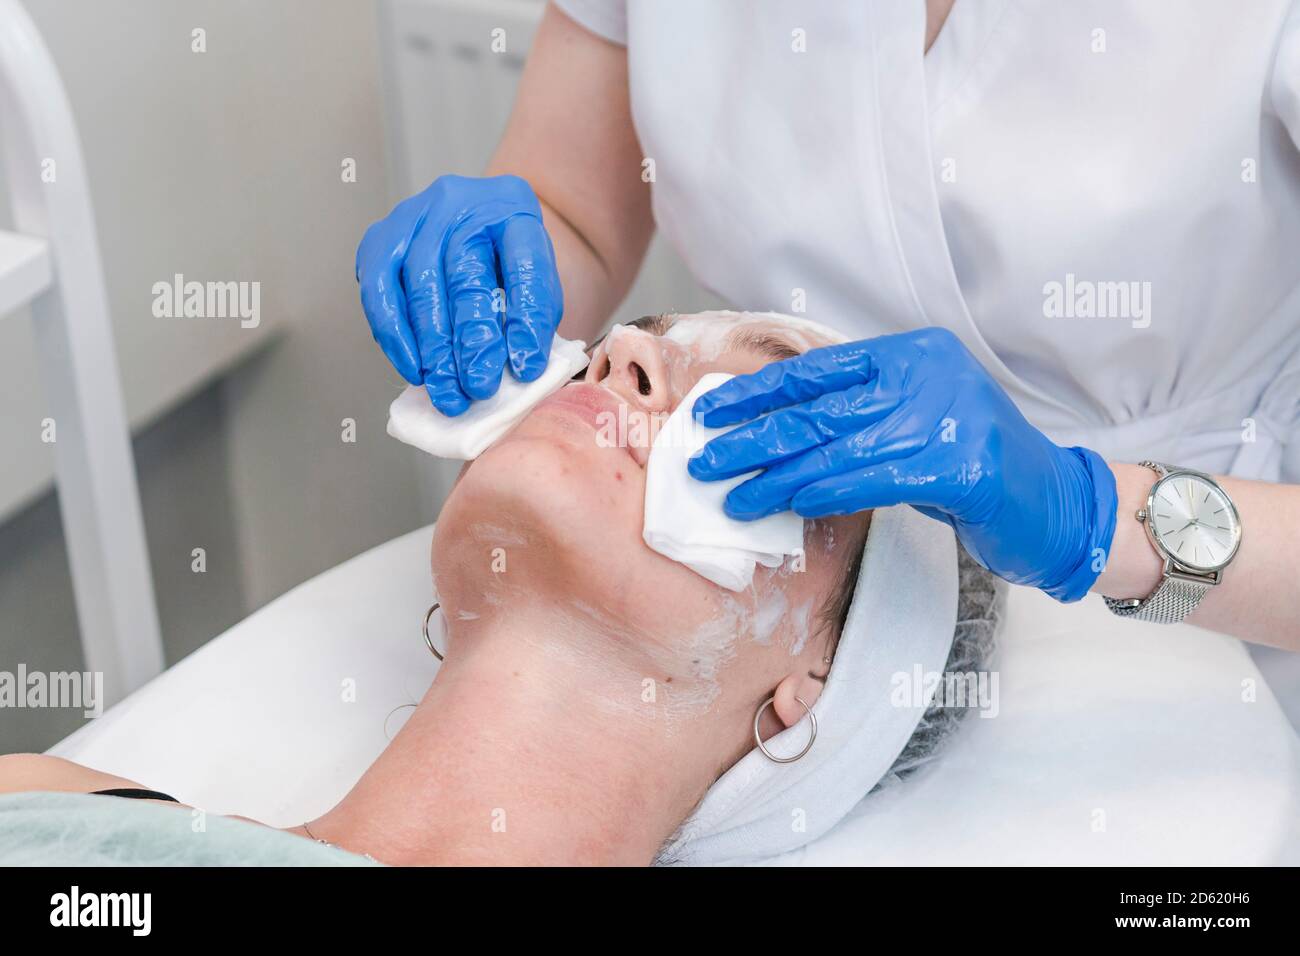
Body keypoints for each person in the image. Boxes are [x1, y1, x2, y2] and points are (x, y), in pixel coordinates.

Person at [355, 1, 1300, 649]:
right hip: (827, 582)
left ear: (799, 704)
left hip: (1243, 590)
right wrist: (497, 278)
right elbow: (576, 208)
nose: (630, 355)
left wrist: (1090, 515)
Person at [0, 312, 999, 866]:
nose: (623, 354)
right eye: (638, 334)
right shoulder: (49, 800)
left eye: (756, 410)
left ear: (819, 676)